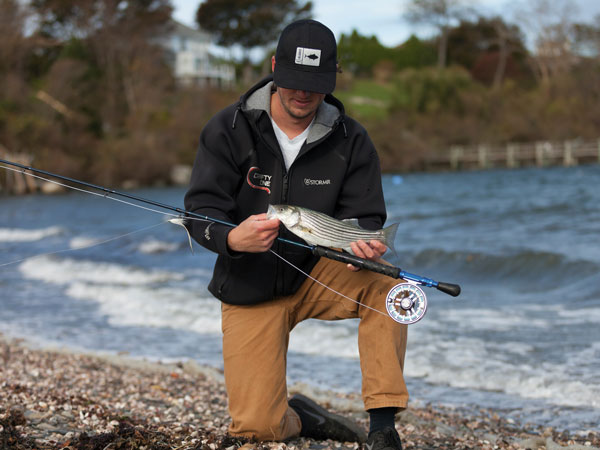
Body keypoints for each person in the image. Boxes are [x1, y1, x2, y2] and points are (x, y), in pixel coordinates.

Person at [184, 19, 407, 450]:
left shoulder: (352, 139)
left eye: (315, 83)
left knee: (387, 283)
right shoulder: (227, 128)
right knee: (256, 429)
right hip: (248, 283)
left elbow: (363, 216)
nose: (303, 93)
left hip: (320, 274)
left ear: (332, 78)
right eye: (294, 81)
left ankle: (382, 427)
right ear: (274, 67)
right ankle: (302, 419)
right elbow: (200, 211)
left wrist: (361, 240)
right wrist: (231, 240)